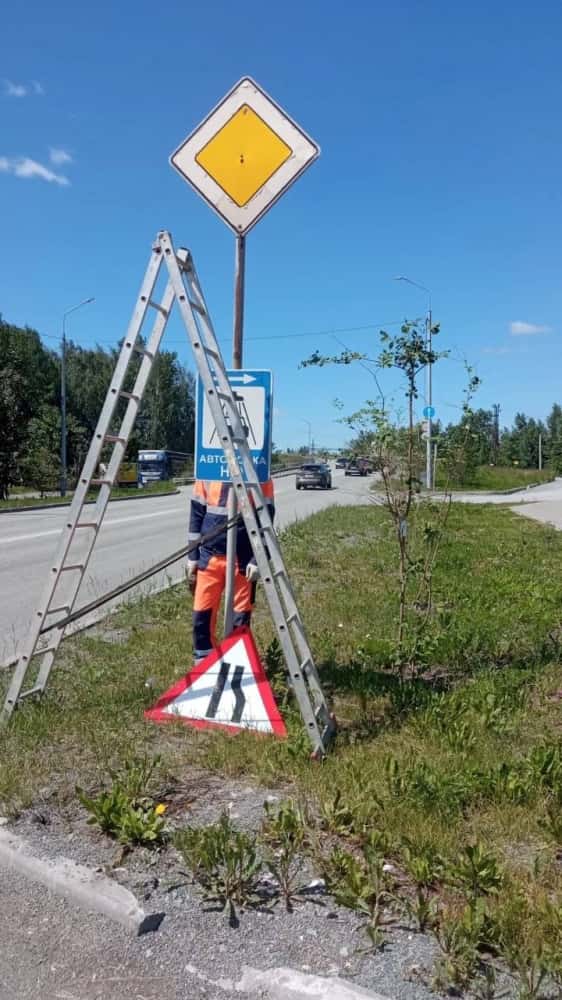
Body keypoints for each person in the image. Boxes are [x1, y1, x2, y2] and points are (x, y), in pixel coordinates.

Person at [187, 478, 275, 663]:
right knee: (201, 618)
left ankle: (236, 669)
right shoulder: (206, 471)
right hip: (210, 558)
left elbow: (266, 520)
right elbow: (196, 514)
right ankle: (205, 668)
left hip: (243, 561)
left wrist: (258, 558)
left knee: (240, 621)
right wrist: (192, 556)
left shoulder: (259, 472)